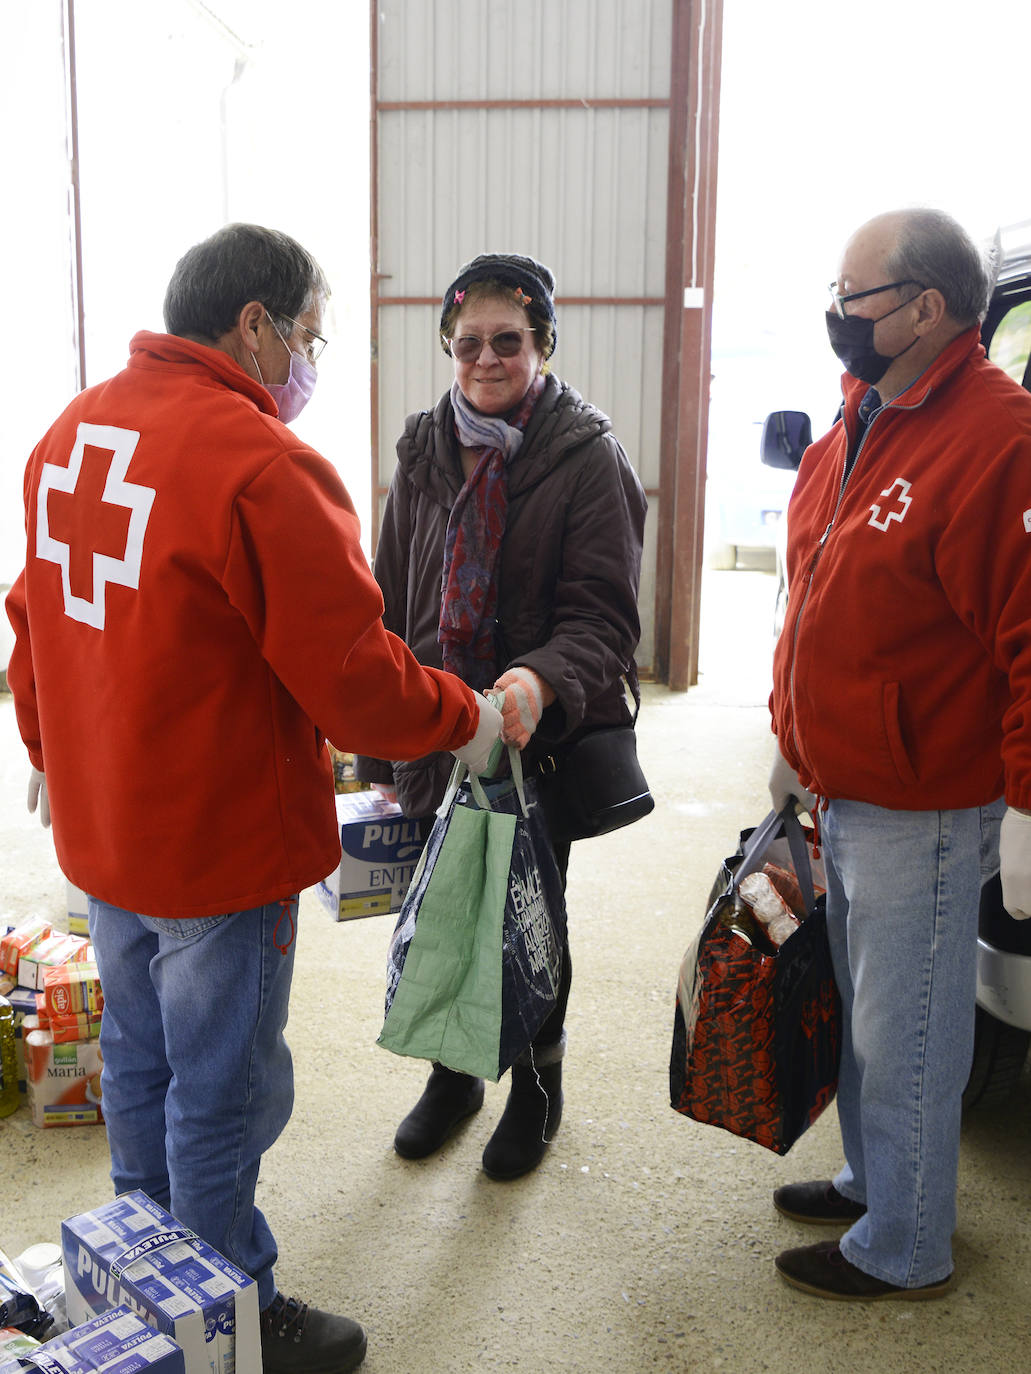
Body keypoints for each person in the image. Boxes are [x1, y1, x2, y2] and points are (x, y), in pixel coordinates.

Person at [5, 223, 502, 1374]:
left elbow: (33, 621)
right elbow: (354, 676)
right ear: (254, 326)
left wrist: (48, 742)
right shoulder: (259, 462)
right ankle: (233, 1306)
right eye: (311, 335)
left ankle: (142, 1265)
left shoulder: (67, 435)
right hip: (219, 844)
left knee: (137, 1062)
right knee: (222, 1088)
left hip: (104, 830)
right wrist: (460, 717)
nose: (308, 359)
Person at [767, 207, 1031, 1302]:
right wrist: (790, 743)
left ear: (926, 308)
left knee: (908, 1028)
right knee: (867, 1019)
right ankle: (873, 1181)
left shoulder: (996, 438)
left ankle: (905, 1243)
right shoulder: (859, 417)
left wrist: (1026, 806)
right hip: (845, 789)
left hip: (920, 803)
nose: (836, 316)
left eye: (853, 296)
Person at [355, 252, 647, 1180]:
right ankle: (455, 1075)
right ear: (449, 347)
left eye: (508, 341)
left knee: (529, 913)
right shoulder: (422, 451)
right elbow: (389, 600)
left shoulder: (587, 456)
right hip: (440, 733)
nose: (487, 358)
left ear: (543, 344)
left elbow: (602, 617)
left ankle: (537, 1083)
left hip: (532, 743)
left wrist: (531, 684)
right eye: (468, 342)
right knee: (438, 908)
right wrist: (375, 740)